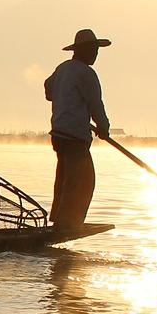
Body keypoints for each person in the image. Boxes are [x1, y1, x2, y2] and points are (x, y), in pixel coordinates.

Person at [43, 28, 111, 228]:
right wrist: (103, 127)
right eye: (93, 50)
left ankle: (60, 218)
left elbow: (48, 89)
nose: (96, 54)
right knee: (82, 180)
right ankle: (68, 222)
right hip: (74, 136)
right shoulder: (86, 73)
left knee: (65, 177)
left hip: (59, 134)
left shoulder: (62, 68)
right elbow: (95, 104)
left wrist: (62, 95)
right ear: (83, 50)